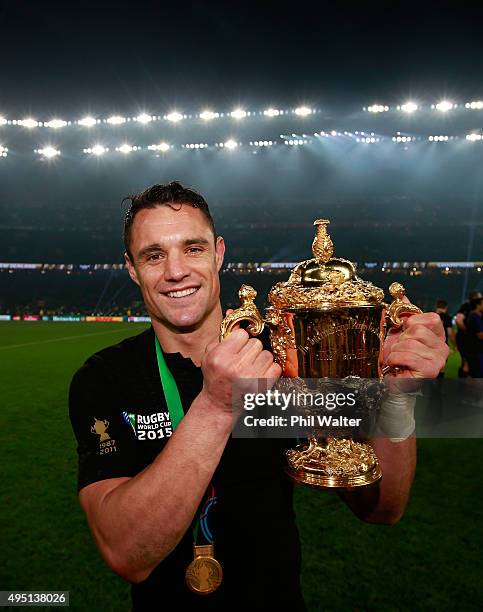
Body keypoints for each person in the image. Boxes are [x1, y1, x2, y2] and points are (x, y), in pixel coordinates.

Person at [69, 182, 449, 611]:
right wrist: (215, 406)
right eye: (154, 255)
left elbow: (382, 506)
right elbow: (126, 553)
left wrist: (396, 392)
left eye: (193, 249)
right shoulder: (104, 379)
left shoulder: (284, 357)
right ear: (132, 268)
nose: (176, 271)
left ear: (219, 253)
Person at [455, 291, 483, 377]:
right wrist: (468, 331)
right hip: (468, 341)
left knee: (467, 364)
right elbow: (458, 320)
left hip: (470, 340)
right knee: (467, 363)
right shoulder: (468, 308)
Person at [435, 299, 456, 378]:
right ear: (446, 307)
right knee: (441, 368)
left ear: (436, 306)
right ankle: (437, 388)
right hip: (442, 346)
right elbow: (450, 333)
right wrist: (455, 345)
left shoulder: (431, 315)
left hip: (430, 344)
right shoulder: (447, 318)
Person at [466, 296, 483, 377]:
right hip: (476, 352)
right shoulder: (475, 317)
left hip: (476, 351)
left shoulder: (477, 317)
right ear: (478, 305)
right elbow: (480, 335)